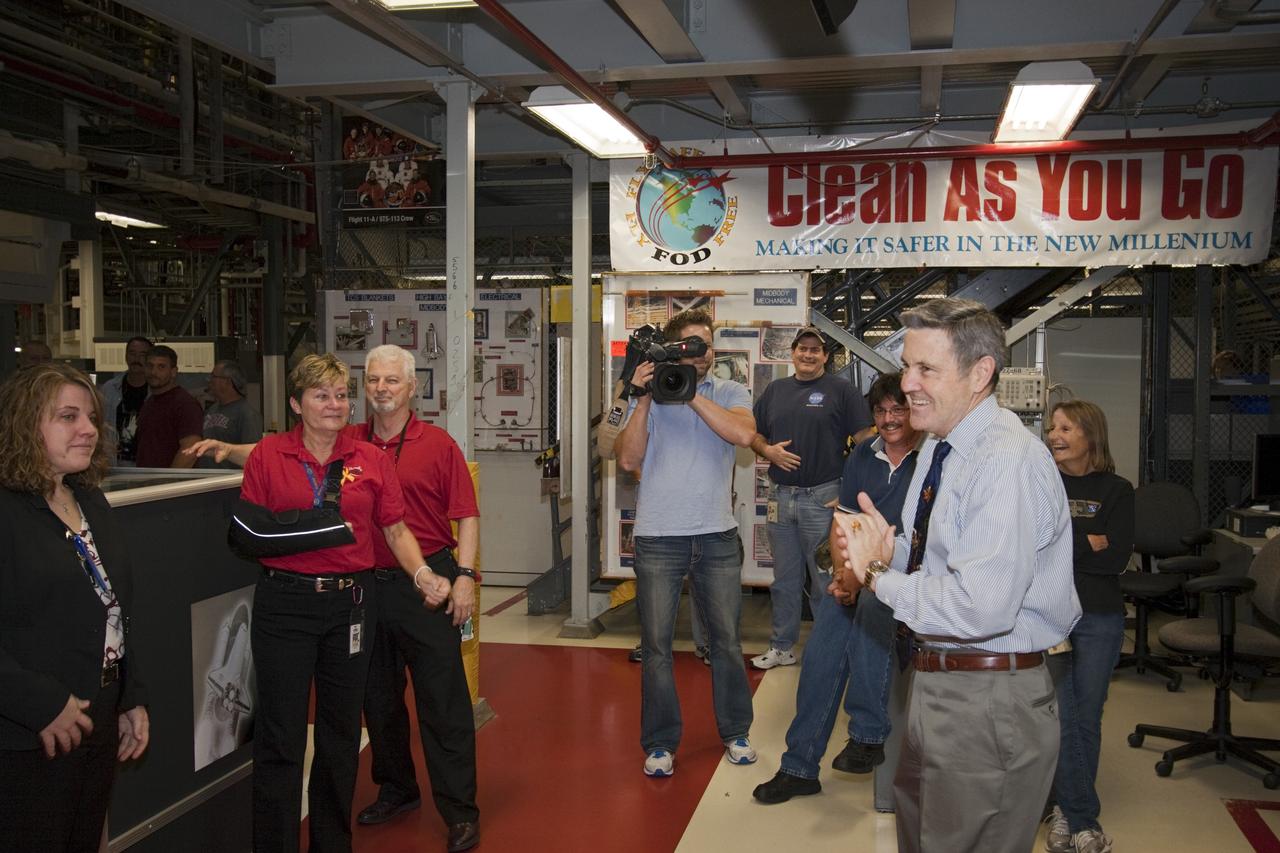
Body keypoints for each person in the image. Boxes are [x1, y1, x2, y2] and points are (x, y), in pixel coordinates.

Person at [833, 297, 1080, 853]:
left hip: (987, 697)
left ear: (980, 373)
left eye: (926, 369)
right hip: (940, 683)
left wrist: (876, 574)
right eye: (907, 367)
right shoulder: (942, 446)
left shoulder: (1003, 460)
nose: (908, 384)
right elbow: (940, 565)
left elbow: (979, 607)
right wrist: (888, 553)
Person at [237, 353, 450, 853]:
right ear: (296, 403)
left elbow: (395, 528)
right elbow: (251, 531)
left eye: (339, 395)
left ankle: (332, 844)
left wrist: (423, 574)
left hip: (351, 606)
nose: (334, 405)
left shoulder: (370, 460)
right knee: (281, 737)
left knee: (338, 735)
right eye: (320, 395)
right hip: (284, 607)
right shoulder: (268, 456)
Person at [0, 363, 150, 852]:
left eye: (90, 416)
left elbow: (116, 610)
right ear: (25, 425)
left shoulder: (86, 498)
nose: (88, 429)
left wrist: (129, 696)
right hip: (30, 734)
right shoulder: (8, 512)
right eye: (68, 417)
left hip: (98, 716)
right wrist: (41, 704)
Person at [753, 372, 921, 803]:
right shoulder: (864, 454)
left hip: (906, 584)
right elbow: (842, 520)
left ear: (915, 412)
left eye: (898, 409)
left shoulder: (934, 457)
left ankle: (867, 734)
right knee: (820, 656)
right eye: (881, 411)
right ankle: (799, 767)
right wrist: (844, 579)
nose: (889, 419)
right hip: (860, 575)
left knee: (872, 611)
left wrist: (867, 580)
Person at [616, 307, 758, 778]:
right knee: (656, 647)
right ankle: (660, 744)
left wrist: (690, 392)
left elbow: (742, 434)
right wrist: (642, 397)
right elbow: (628, 459)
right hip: (658, 537)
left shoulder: (730, 391)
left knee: (727, 644)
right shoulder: (652, 397)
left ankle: (736, 732)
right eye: (690, 345)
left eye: (706, 345)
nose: (700, 352)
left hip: (716, 534)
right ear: (674, 348)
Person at [748, 326, 872, 670]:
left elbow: (864, 440)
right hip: (780, 498)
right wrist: (767, 451)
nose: (808, 354)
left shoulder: (841, 390)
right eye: (802, 348)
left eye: (815, 350)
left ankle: (828, 651)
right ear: (792, 353)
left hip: (823, 499)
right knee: (784, 580)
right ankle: (782, 647)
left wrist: (852, 490)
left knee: (825, 580)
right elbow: (753, 435)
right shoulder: (776, 390)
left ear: (825, 357)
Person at [1043, 401, 1134, 853]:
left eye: (1064, 427)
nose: (1053, 434)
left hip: (1099, 616)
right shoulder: (1043, 483)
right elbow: (1035, 548)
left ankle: (1065, 812)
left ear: (1089, 436)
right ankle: (1078, 817)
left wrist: (1065, 542)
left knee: (1085, 715)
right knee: (1060, 714)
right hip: (1049, 617)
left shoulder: (1118, 489)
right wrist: (1087, 539)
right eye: (1051, 427)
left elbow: (1115, 558)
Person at [134, 345, 203, 468]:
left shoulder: (185, 404)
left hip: (168, 484)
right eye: (150, 366)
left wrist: (169, 483)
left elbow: (190, 450)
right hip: (146, 482)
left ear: (173, 372)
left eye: (161, 367)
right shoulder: (150, 402)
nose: (154, 372)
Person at [196, 360, 262, 469]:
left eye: (213, 376)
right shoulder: (212, 409)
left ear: (227, 382)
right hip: (207, 481)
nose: (209, 380)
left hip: (229, 482)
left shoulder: (247, 414)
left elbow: (253, 454)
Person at [100, 337, 152, 465]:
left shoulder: (157, 390)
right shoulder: (110, 388)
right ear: (126, 355)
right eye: (132, 353)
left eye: (142, 355)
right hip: (114, 464)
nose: (136, 359)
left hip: (147, 464)